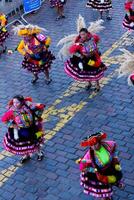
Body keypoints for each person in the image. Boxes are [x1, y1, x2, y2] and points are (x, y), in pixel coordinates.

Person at [57, 15, 106, 92]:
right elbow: (72, 51)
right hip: (86, 60)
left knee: (95, 71)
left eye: (83, 34)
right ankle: (89, 83)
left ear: (87, 33)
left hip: (93, 57)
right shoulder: (79, 43)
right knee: (86, 72)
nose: (82, 36)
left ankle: (97, 85)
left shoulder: (93, 38)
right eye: (81, 35)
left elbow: (97, 41)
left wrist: (96, 49)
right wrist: (81, 56)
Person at [76, 132, 123, 200]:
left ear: (99, 141)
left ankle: (116, 183)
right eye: (92, 145)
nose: (94, 147)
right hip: (100, 174)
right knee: (104, 189)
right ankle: (106, 197)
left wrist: (115, 159)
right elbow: (83, 168)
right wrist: (94, 170)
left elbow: (114, 150)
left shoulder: (109, 145)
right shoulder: (88, 156)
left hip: (110, 167)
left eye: (95, 144)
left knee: (116, 176)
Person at [2, 95, 45, 164]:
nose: (15, 104)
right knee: (22, 144)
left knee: (36, 140)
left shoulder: (29, 105)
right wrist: (12, 125)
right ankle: (26, 155)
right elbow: (4, 120)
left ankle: (39, 153)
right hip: (21, 130)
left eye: (17, 102)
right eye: (14, 102)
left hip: (33, 127)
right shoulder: (12, 111)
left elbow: (41, 106)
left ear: (22, 102)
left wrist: (38, 117)